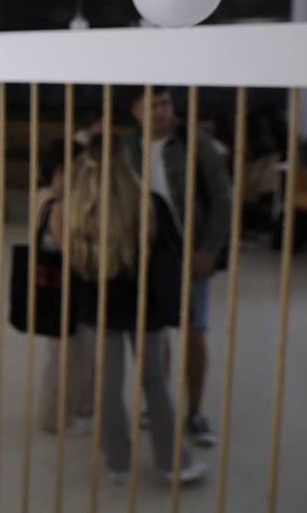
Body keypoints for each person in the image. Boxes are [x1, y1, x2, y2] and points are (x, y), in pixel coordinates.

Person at [58, 137, 207, 483]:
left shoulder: (76, 210)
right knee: (155, 382)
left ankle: (117, 463)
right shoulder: (151, 205)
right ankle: (174, 464)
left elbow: (73, 264)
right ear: (127, 166)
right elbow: (176, 252)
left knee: (107, 386)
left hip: (99, 310)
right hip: (146, 308)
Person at [125, 86, 232, 448]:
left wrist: (209, 249)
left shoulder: (194, 143)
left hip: (189, 250)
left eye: (166, 103)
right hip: (146, 252)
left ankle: (196, 412)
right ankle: (161, 403)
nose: (160, 111)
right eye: (151, 105)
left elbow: (222, 196)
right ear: (135, 111)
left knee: (193, 332)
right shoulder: (127, 147)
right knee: (154, 331)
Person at [34, 140, 94, 435]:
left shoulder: (43, 195)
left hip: (54, 288)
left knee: (73, 352)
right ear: (61, 169)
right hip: (63, 289)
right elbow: (71, 251)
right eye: (79, 165)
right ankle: (54, 419)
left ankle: (79, 406)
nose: (83, 171)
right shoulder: (56, 205)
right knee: (64, 357)